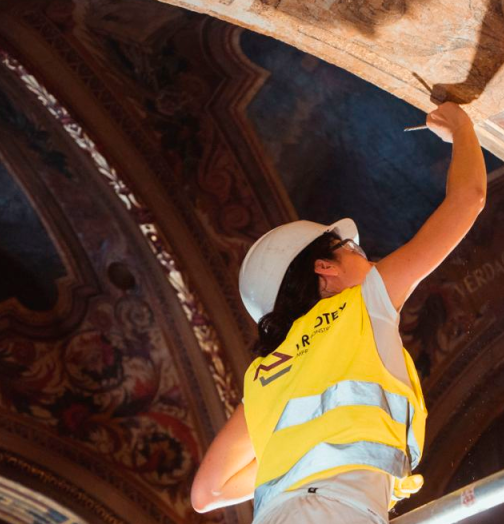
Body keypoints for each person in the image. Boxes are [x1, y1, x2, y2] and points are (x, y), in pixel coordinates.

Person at [190, 101, 487, 523]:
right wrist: (460, 125)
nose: (368, 258)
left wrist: (303, 456)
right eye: (355, 251)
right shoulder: (363, 301)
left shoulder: (263, 376)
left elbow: (208, 491)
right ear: (324, 269)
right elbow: (468, 199)